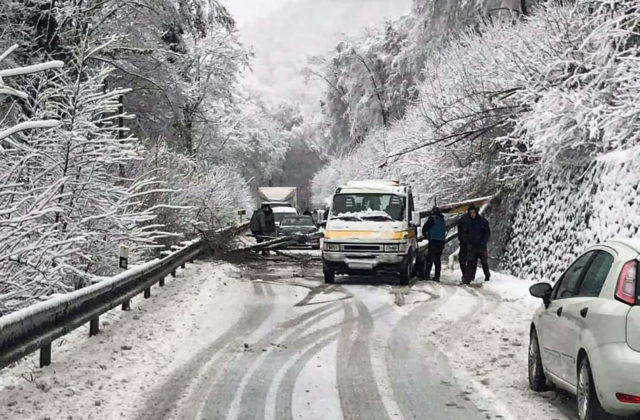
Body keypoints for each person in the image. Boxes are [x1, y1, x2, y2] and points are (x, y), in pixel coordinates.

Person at [462, 204, 491, 284]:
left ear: (476, 212)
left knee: (484, 262)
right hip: (472, 245)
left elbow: (487, 232)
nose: (472, 214)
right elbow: (465, 233)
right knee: (471, 262)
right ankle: (468, 278)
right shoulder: (468, 222)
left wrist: (483, 242)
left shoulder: (482, 221)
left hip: (481, 245)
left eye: (473, 212)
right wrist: (468, 241)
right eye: (470, 213)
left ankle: (487, 276)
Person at [422, 206, 446, 282]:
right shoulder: (442, 219)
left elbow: (425, 228)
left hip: (433, 241)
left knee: (430, 258)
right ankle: (437, 276)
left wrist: (426, 235)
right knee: (437, 259)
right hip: (441, 242)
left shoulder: (432, 218)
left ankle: (426, 275)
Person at [457, 209, 471, 279]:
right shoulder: (476, 219)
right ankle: (468, 274)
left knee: (462, 259)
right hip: (471, 243)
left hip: (464, 243)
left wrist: (461, 239)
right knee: (470, 260)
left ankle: (465, 274)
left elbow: (459, 231)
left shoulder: (462, 219)